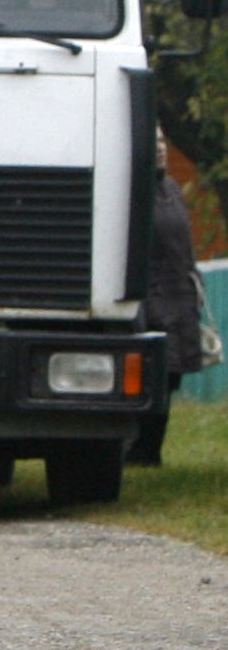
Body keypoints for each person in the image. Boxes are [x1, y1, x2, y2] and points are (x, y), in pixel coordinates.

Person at [135, 139, 203, 466]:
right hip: (151, 297)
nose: (160, 147)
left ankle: (151, 449)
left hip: (179, 295)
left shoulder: (172, 189)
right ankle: (139, 450)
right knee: (152, 377)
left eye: (162, 141)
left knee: (171, 378)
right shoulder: (133, 190)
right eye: (155, 140)